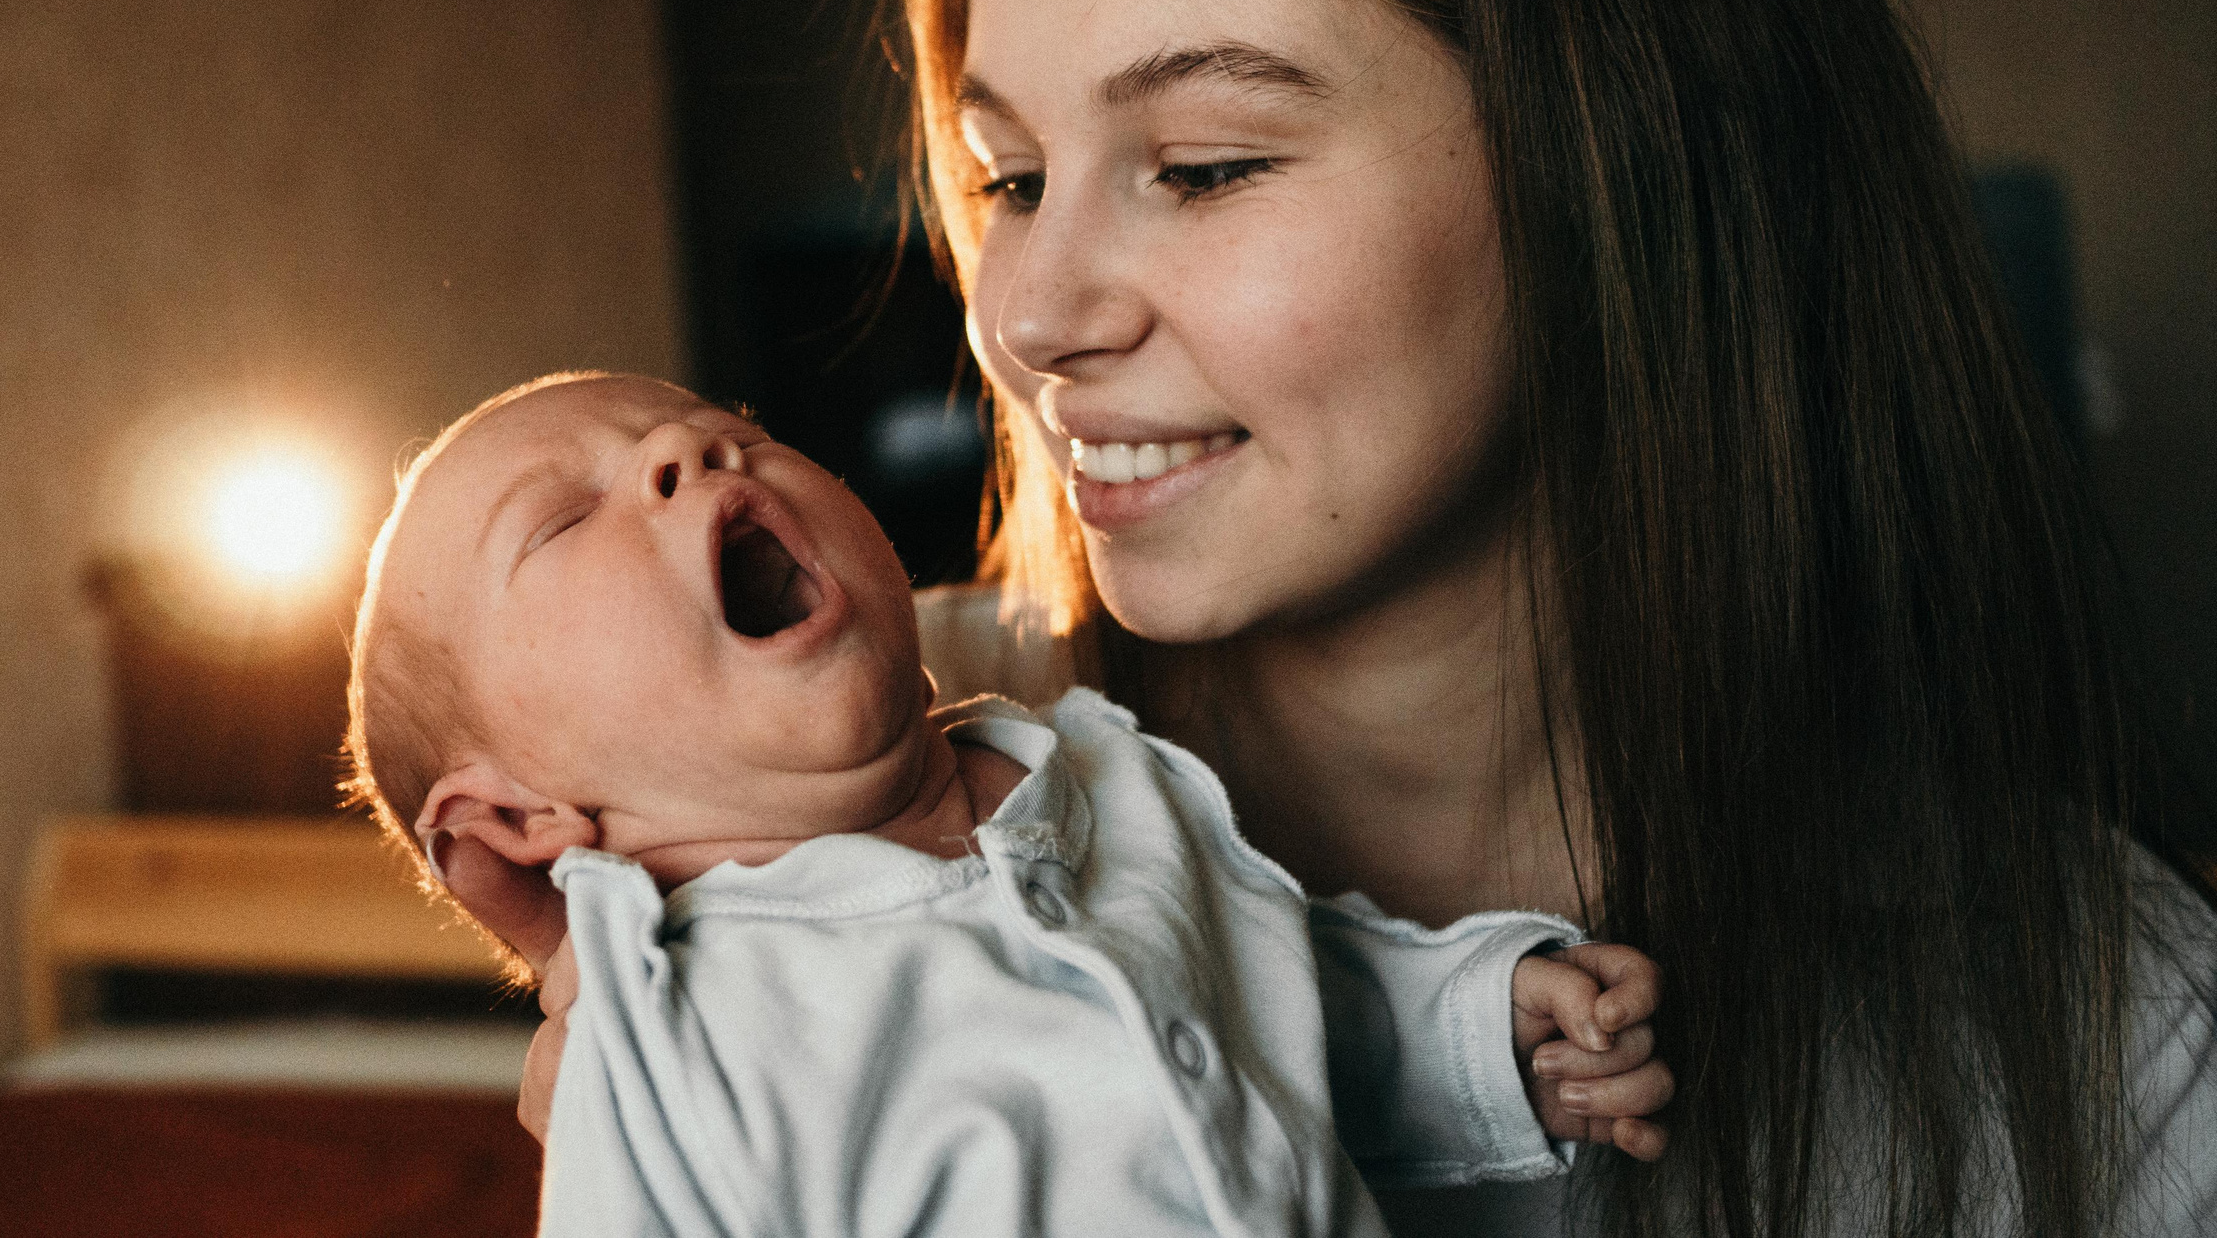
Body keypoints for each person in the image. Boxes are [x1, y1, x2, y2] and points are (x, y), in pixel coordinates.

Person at [879, 0, 2216, 1238]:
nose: (1028, 313)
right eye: (1006, 177)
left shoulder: (2111, 1046)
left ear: (1613, 161)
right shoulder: (833, 823)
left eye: (1207, 167)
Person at [343, 371, 1673, 1236]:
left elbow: (1274, 1004)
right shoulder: (677, 1039)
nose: (685, 450)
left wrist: (1473, 1033)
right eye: (565, 522)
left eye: (735, 430)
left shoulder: (1098, 774)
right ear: (519, 826)